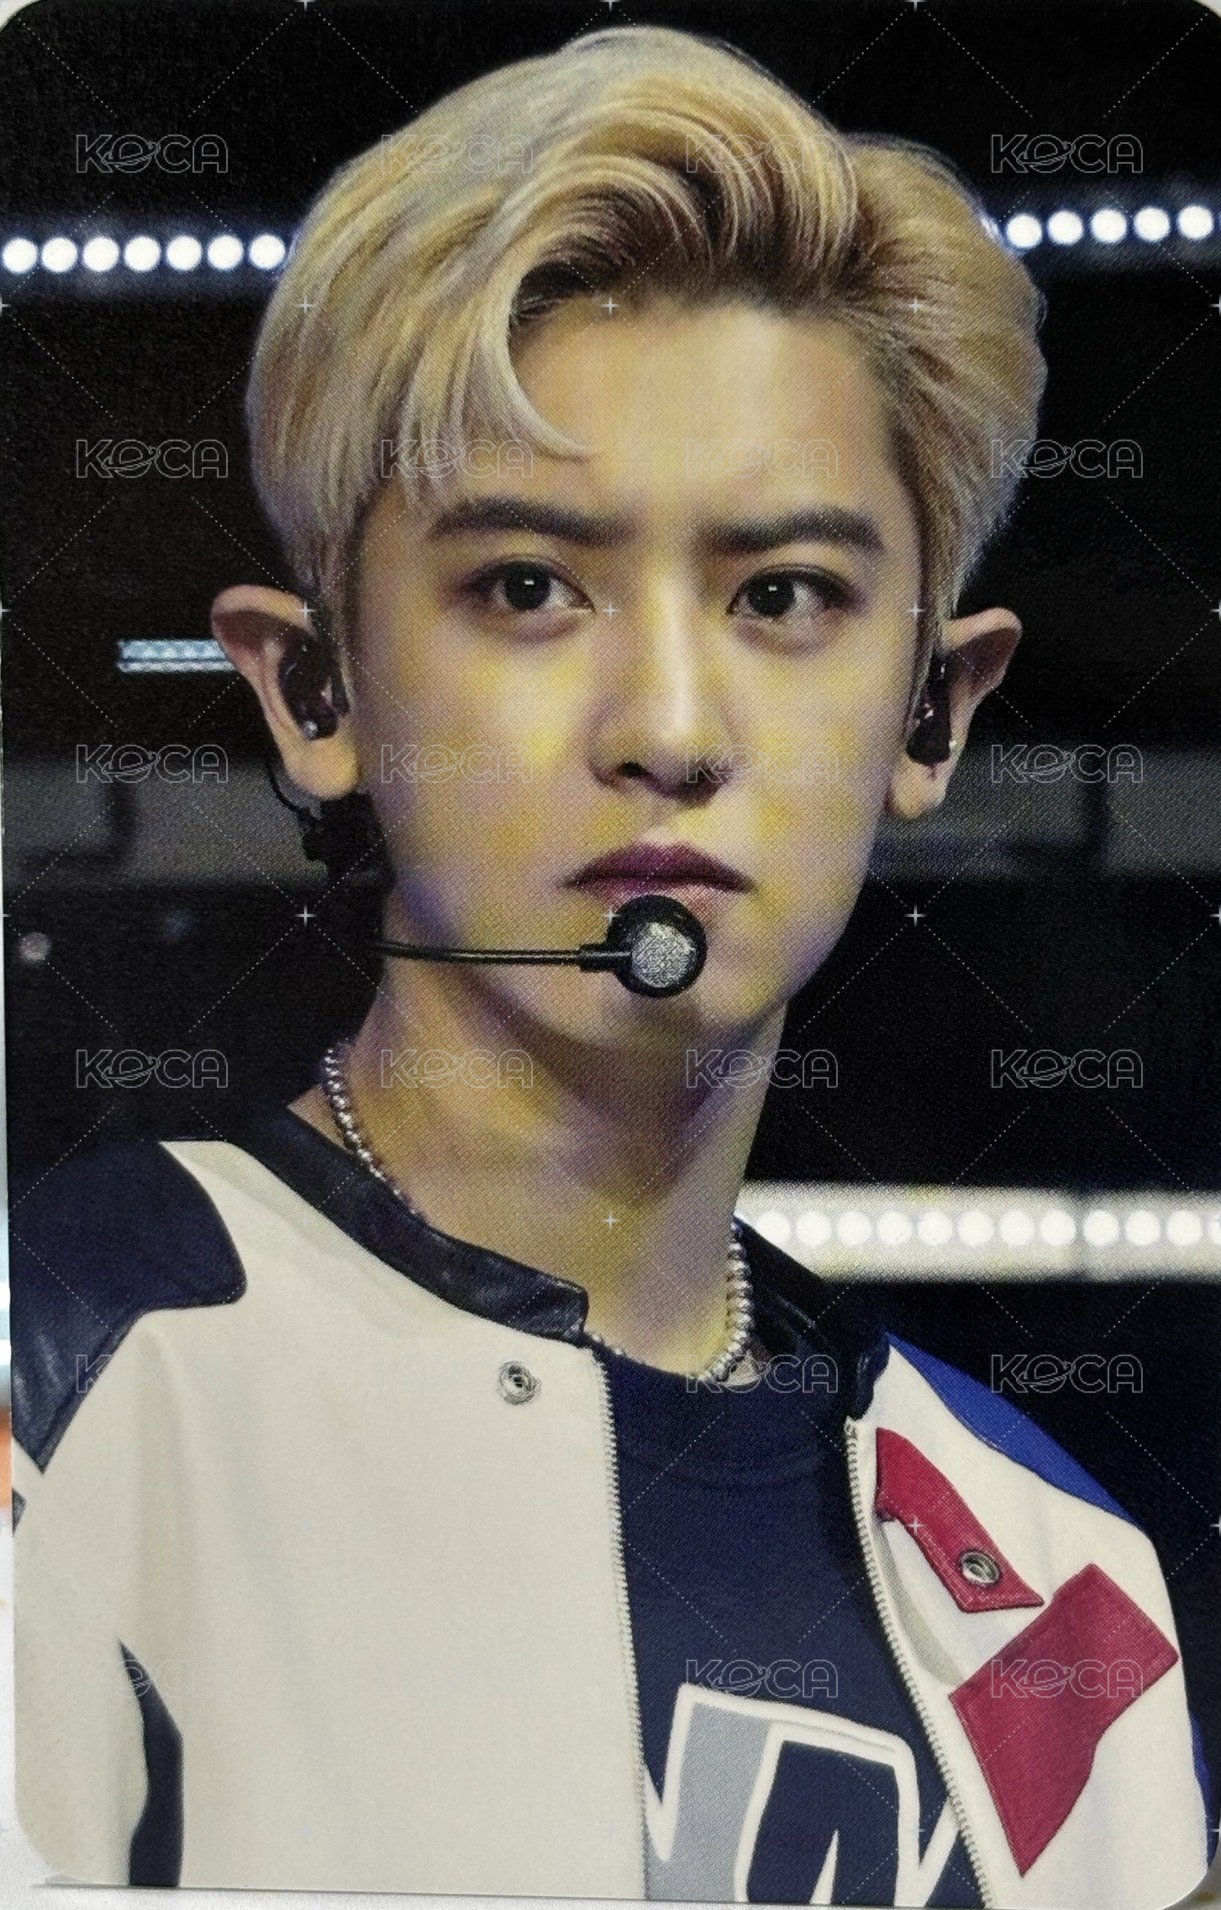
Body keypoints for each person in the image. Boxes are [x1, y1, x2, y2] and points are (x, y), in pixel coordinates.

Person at [10, 23, 1212, 1907]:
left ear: (934, 706)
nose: (666, 724)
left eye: (782, 595)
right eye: (526, 586)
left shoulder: (1062, 1590)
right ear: (312, 687)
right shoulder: (62, 1366)